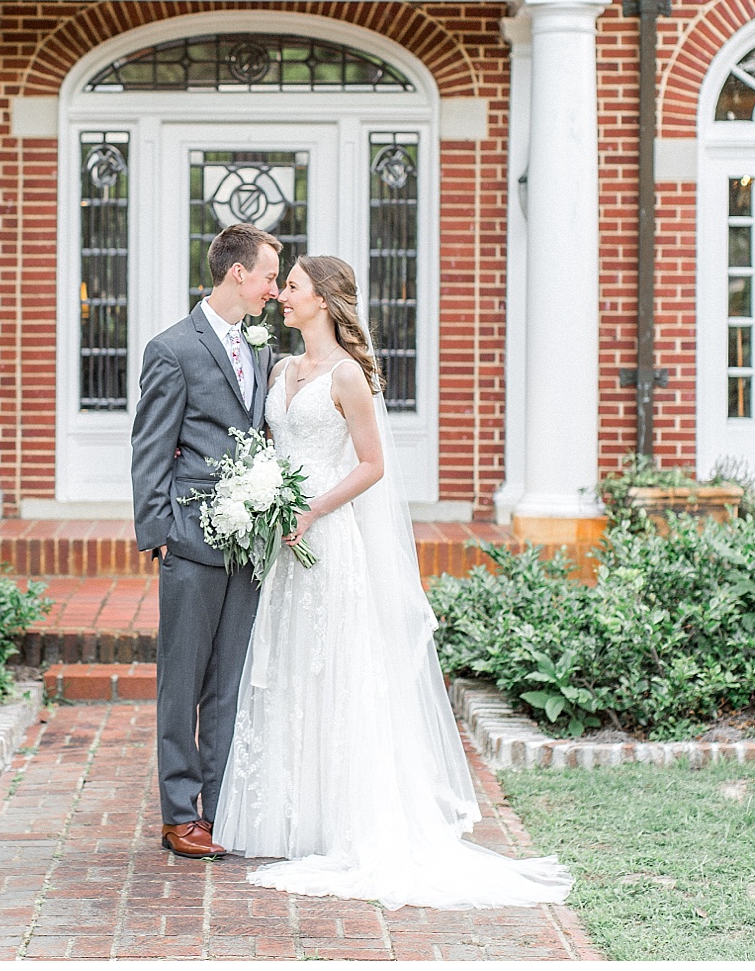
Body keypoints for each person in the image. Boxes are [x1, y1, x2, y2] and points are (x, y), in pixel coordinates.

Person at [210, 254, 575, 909]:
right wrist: (263, 495)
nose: (281, 296)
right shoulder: (283, 368)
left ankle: (347, 818)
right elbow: (273, 448)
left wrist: (312, 506)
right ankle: (297, 816)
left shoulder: (349, 376)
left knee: (339, 671)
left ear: (322, 298)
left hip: (329, 540)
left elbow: (373, 465)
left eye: (291, 286)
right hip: (286, 548)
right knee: (291, 667)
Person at [130, 223, 282, 859]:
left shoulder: (265, 349)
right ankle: (178, 812)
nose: (275, 291)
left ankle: (220, 808)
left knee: (231, 681)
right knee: (182, 681)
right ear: (237, 274)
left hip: (247, 543)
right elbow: (150, 448)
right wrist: (161, 533)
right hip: (191, 541)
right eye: (270, 276)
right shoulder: (172, 349)